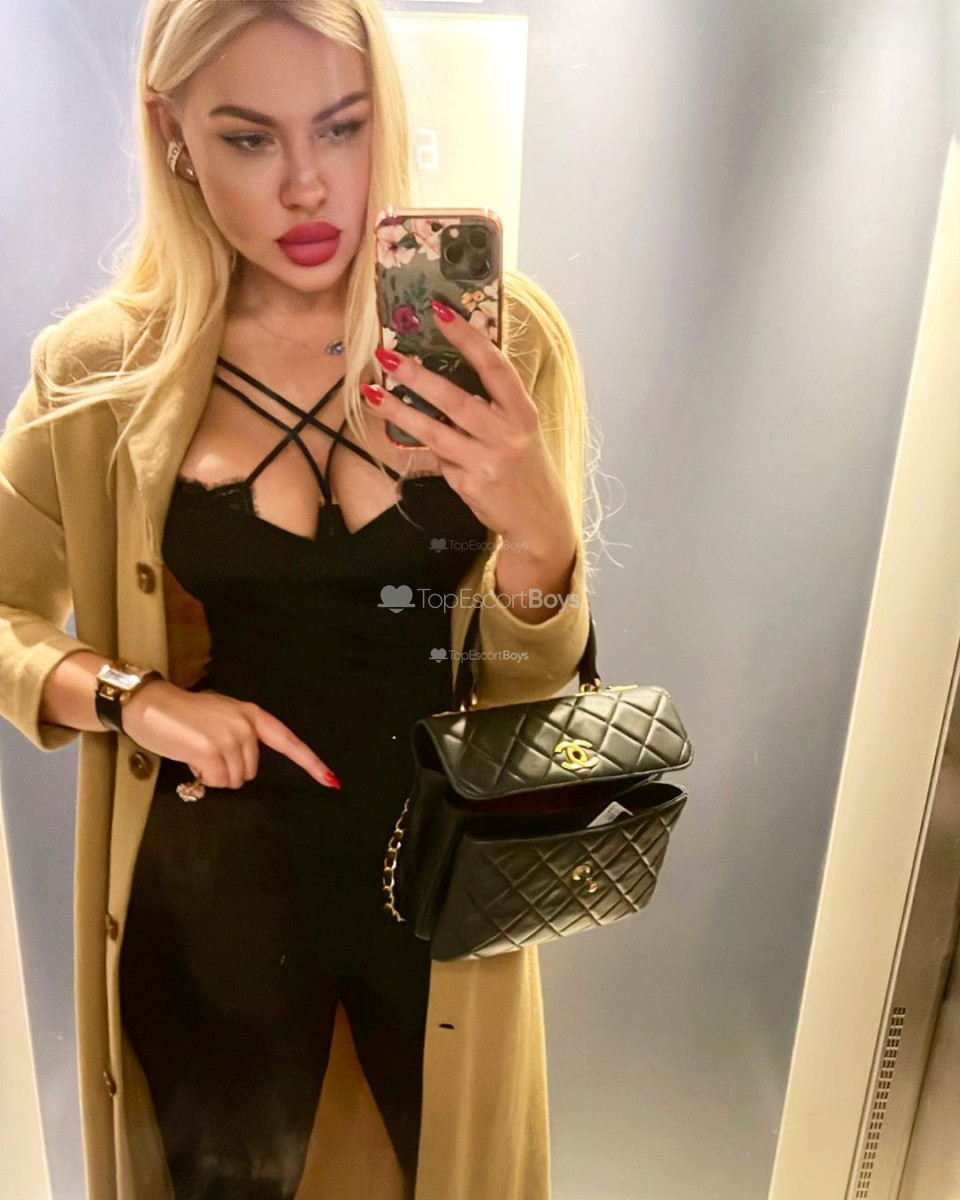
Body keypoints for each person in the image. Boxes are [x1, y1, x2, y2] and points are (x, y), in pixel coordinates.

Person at [0, 2, 602, 1198]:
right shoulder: (102, 371)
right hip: (209, 902)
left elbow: (533, 697)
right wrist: (135, 700)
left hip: (437, 897)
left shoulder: (503, 340)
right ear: (173, 134)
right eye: (248, 138)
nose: (308, 187)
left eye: (341, 125)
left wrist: (540, 536)